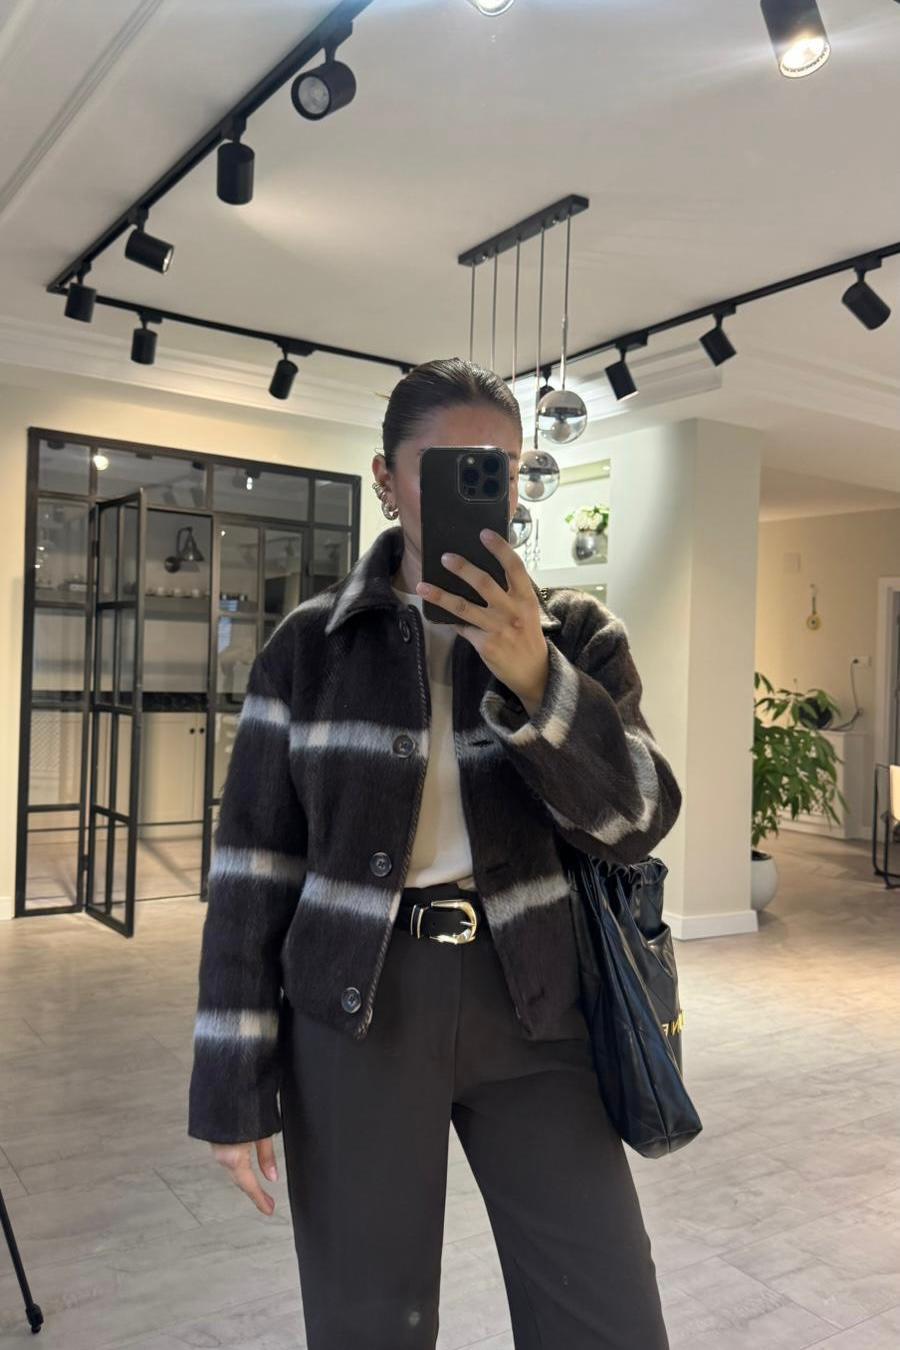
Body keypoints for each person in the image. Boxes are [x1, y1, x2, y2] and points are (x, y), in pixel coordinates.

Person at [188, 357, 683, 1349]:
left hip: (538, 999)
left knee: (608, 1316)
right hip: (355, 1008)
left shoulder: (578, 634)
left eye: (502, 467)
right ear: (385, 478)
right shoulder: (309, 648)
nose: (485, 488)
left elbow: (639, 818)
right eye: (451, 467)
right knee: (369, 1319)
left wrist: (538, 677)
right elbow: (251, 874)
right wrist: (231, 1084)